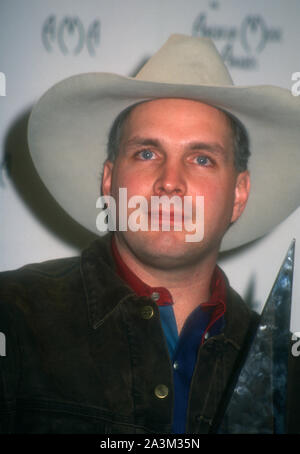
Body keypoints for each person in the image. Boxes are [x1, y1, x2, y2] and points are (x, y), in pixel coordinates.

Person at [0, 34, 300, 434]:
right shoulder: (12, 316)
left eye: (201, 158)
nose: (170, 183)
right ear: (109, 181)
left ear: (239, 195)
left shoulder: (286, 370)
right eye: (147, 153)